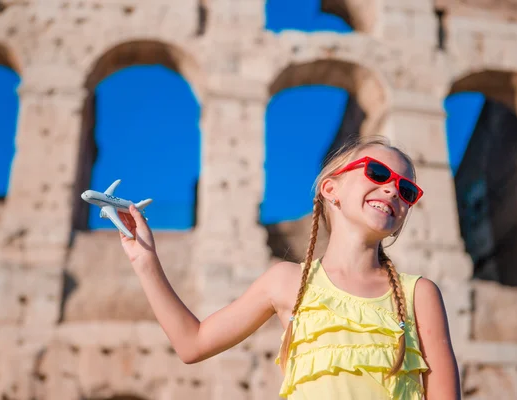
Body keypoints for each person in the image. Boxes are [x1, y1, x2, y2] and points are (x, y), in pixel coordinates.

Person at [117, 136, 461, 399]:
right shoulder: (287, 282)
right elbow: (192, 344)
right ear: (331, 189)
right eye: (377, 172)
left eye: (406, 189)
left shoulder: (419, 294)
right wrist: (145, 260)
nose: (391, 189)